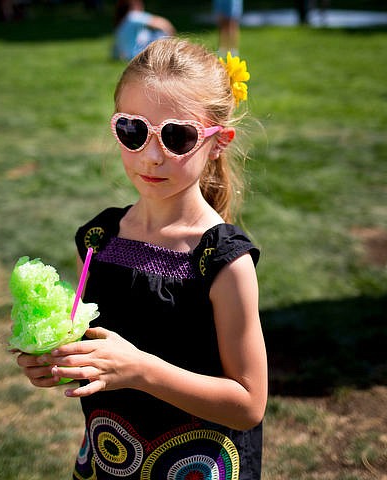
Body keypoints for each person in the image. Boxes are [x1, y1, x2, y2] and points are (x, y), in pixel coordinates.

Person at [17, 38, 267, 479]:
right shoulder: (99, 239)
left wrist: (141, 371)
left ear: (218, 142)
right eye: (133, 131)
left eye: (177, 136)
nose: (151, 156)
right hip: (109, 458)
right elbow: (96, 350)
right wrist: (55, 358)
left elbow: (248, 404)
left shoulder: (222, 262)